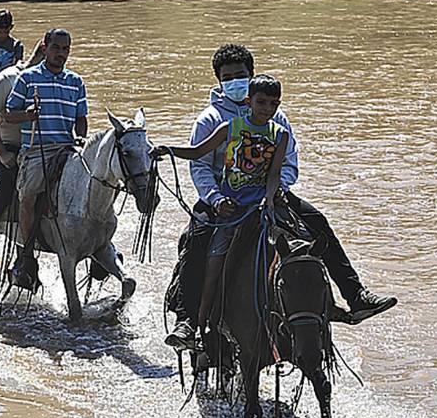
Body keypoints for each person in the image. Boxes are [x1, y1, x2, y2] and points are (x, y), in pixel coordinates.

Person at [163, 44, 395, 349]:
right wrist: (216, 199)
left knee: (317, 222)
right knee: (195, 242)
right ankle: (188, 321)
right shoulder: (210, 119)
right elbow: (200, 165)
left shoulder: (276, 116)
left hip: (271, 195)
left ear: (252, 76)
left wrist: (280, 190)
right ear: (219, 81)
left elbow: (288, 161)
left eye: (241, 75)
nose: (235, 80)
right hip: (225, 199)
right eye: (228, 76)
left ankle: (355, 295)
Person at [152, 74, 291, 337]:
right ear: (249, 101)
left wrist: (270, 198)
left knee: (301, 247)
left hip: (261, 207)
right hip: (232, 209)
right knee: (214, 265)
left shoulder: (280, 134)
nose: (267, 109)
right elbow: (197, 152)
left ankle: (327, 310)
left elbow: (274, 174)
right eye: (262, 103)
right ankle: (198, 325)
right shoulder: (230, 127)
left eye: (274, 104)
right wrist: (167, 149)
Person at [4, 28, 88, 283]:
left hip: (67, 148)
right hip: (37, 150)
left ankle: (96, 242)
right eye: (56, 48)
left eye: (65, 49)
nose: (60, 54)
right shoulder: (27, 78)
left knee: (97, 185)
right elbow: (8, 114)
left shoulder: (76, 81)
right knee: (28, 196)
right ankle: (27, 253)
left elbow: (81, 118)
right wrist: (28, 115)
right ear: (44, 47)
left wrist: (81, 139)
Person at [0, 39, 47, 266]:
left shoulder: (54, 78)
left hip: (43, 147)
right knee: (5, 190)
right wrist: (2, 152)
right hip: (10, 146)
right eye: (54, 51)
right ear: (44, 49)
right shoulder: (7, 78)